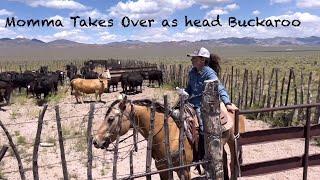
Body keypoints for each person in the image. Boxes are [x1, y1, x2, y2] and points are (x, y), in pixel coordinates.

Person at [185, 47, 237, 160]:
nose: (192, 60)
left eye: (194, 58)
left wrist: (227, 102)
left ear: (202, 60)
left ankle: (206, 154)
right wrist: (184, 93)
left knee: (204, 127)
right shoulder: (192, 72)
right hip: (191, 102)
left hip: (203, 104)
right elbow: (189, 88)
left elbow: (220, 87)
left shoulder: (209, 73)